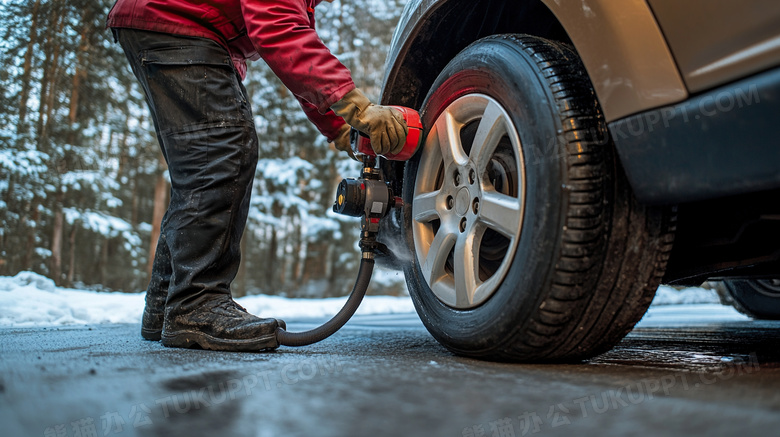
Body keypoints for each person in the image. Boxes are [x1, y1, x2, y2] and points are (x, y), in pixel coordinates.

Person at [107, 0, 408, 352]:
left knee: (203, 166)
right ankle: (195, 305)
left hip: (173, 23)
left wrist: (342, 127)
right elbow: (278, 29)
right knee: (222, 152)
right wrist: (356, 106)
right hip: (180, 23)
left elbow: (296, 52)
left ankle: (167, 304)